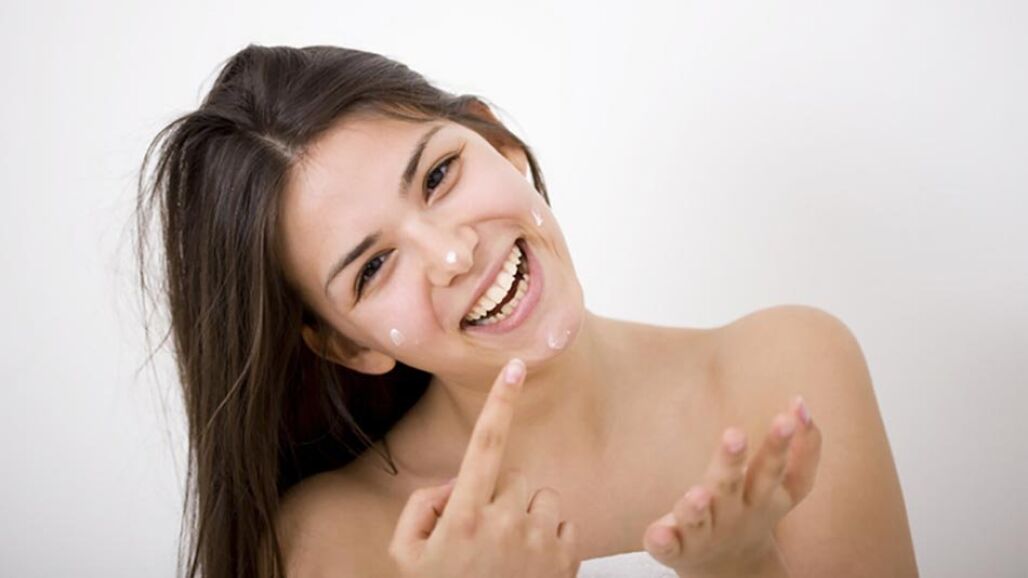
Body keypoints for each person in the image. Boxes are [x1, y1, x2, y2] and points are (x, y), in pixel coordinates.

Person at [136, 44, 919, 577]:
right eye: (374, 267)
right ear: (348, 345)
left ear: (501, 144)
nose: (452, 255)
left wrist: (744, 568)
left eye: (438, 175)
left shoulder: (788, 369)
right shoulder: (330, 541)